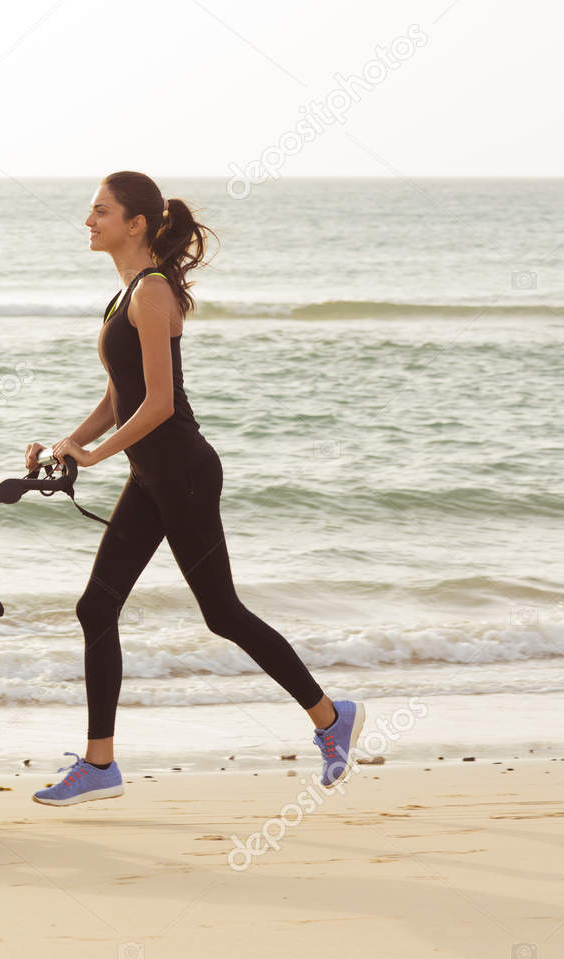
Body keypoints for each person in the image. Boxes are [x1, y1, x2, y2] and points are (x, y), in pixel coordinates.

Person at [28, 171, 363, 807]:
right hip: (153, 476)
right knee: (96, 608)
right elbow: (117, 395)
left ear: (135, 224)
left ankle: (330, 718)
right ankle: (101, 766)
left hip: (180, 472)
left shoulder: (152, 293)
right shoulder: (126, 293)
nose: (89, 222)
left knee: (223, 613)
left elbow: (157, 405)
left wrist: (96, 454)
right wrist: (64, 444)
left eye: (100, 212)